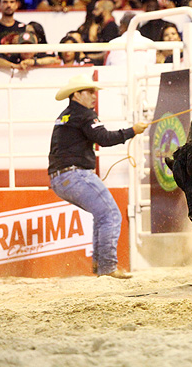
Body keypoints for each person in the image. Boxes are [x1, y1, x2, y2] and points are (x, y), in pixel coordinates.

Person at [48, 74, 147, 279]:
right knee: (110, 214)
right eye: (90, 92)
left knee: (102, 215)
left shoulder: (65, 116)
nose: (94, 96)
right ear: (77, 95)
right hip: (75, 174)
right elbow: (104, 138)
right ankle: (107, 267)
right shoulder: (84, 115)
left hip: (60, 178)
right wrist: (133, 130)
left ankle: (100, 265)